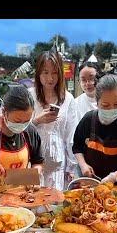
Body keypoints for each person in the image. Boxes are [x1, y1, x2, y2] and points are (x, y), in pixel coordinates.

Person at [73, 74, 117, 184]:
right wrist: (83, 165)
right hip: (92, 182)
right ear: (97, 102)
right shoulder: (89, 119)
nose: (111, 109)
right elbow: (77, 147)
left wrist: (114, 176)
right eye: (105, 105)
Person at [29, 51, 78, 190]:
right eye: (45, 72)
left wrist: (71, 166)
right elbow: (18, 127)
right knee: (32, 198)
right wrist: (37, 120)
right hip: (33, 158)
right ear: (38, 73)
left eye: (54, 73)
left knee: (54, 201)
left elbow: (71, 135)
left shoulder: (68, 99)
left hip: (57, 160)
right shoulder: (29, 96)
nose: (50, 78)